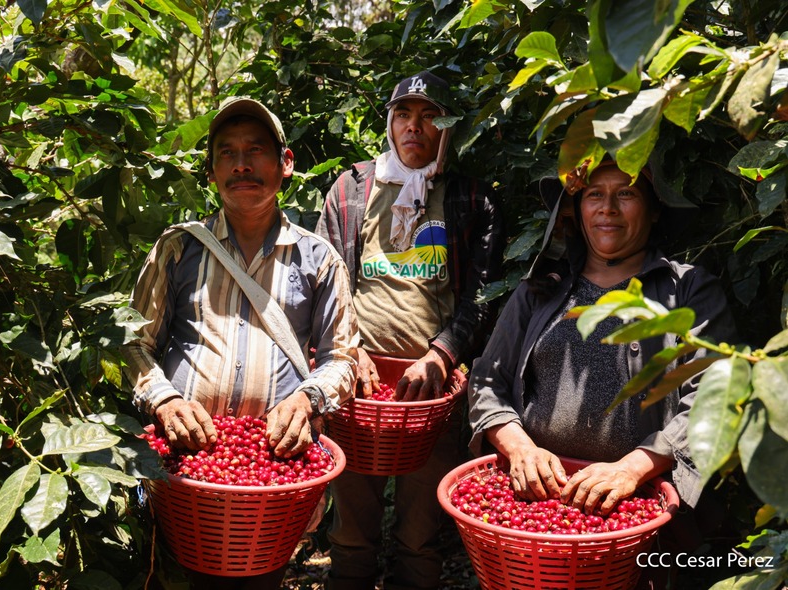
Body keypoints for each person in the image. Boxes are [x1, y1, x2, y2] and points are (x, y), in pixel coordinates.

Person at [467, 157, 738, 586]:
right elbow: (487, 380)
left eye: (625, 193)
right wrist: (520, 449)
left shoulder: (688, 290)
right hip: (537, 509)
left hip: (638, 519)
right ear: (577, 210)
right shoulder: (541, 289)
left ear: (654, 209)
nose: (607, 208)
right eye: (594, 194)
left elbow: (714, 399)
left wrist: (632, 468)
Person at [123, 97, 359, 590]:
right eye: (227, 153)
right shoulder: (177, 248)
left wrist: (307, 400)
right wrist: (165, 401)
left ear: (285, 163)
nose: (241, 164)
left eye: (255, 150)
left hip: (273, 472)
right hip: (185, 468)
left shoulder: (319, 259)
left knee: (259, 576)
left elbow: (341, 358)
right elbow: (132, 343)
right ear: (211, 172)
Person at [315, 71, 505, 590]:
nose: (414, 127)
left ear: (447, 128)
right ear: (389, 124)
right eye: (403, 114)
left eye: (429, 116)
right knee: (350, 527)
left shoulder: (471, 199)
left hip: (433, 395)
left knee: (421, 534)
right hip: (358, 389)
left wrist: (442, 354)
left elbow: (483, 295)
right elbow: (324, 281)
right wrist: (348, 349)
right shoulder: (352, 190)